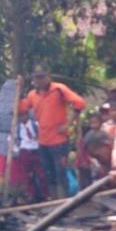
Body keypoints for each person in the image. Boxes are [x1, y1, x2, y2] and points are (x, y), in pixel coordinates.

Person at [19, 67, 86, 199]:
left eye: (42, 77)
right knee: (48, 172)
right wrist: (19, 91)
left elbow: (79, 103)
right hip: (43, 140)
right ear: (33, 80)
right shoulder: (32, 95)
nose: (40, 80)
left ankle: (63, 202)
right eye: (37, 78)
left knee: (60, 172)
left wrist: (68, 123)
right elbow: (22, 109)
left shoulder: (59, 89)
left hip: (59, 140)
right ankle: (53, 200)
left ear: (48, 77)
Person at [11, 110, 46, 203]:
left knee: (41, 173)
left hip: (36, 150)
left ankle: (45, 194)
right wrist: (15, 150)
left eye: (22, 115)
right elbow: (13, 140)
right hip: (24, 151)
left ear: (27, 115)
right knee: (27, 175)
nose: (20, 118)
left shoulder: (35, 125)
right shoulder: (17, 128)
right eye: (19, 116)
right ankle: (31, 195)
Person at [74, 111, 104, 189]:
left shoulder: (103, 135)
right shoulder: (87, 135)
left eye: (95, 122)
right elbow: (82, 150)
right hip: (86, 164)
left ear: (101, 123)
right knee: (86, 184)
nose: (93, 125)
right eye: (92, 123)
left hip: (98, 164)